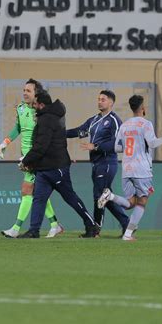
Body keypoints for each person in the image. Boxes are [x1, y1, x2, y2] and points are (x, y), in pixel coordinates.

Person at [18, 90, 99, 238]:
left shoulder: (46, 119)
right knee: (39, 199)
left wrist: (26, 160)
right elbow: (42, 146)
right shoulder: (50, 117)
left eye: (35, 103)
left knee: (70, 197)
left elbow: (41, 145)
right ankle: (34, 230)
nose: (33, 106)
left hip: (56, 168)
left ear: (41, 105)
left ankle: (91, 225)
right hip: (45, 168)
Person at [98, 95, 162, 240]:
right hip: (141, 169)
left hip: (127, 168)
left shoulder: (124, 125)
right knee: (142, 202)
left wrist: (130, 148)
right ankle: (127, 234)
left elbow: (116, 147)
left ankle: (111, 196)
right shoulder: (146, 124)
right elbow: (152, 144)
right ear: (143, 108)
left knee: (130, 203)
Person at [0, 79, 63, 239]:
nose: (25, 93)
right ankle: (55, 225)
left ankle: (15, 228)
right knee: (37, 192)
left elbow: (49, 135)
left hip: (37, 156)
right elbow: (18, 128)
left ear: (36, 94)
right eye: (24, 90)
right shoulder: (20, 108)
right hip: (26, 156)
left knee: (27, 190)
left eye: (29, 90)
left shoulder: (42, 112)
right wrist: (5, 142)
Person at [67, 90, 129, 235]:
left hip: (108, 163)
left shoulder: (114, 120)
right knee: (104, 196)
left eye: (103, 99)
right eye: (99, 99)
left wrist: (96, 146)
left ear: (111, 103)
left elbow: (117, 143)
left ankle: (95, 228)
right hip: (96, 163)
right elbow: (79, 131)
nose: (99, 101)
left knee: (99, 195)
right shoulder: (93, 120)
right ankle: (126, 223)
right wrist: (59, 133)